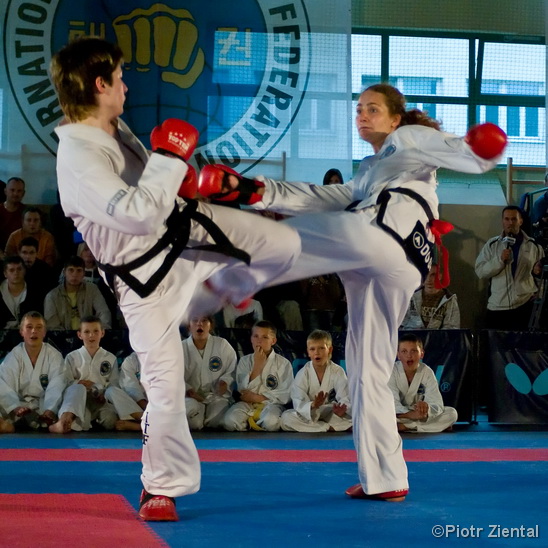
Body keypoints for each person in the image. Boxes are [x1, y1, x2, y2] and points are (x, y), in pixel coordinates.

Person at [198, 83, 507, 501]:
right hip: (396, 264)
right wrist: (256, 191)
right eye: (359, 109)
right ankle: (386, 478)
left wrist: (477, 149)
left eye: (373, 109)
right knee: (366, 372)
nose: (362, 115)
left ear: (395, 119)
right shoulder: (369, 172)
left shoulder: (408, 139)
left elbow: (450, 149)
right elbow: (327, 196)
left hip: (385, 235)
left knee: (296, 238)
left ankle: (227, 278)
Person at [49, 37, 300, 521]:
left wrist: (177, 176)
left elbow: (154, 193)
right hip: (141, 283)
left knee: (284, 243)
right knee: (164, 387)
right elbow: (138, 214)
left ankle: (220, 290)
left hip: (184, 239)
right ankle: (159, 487)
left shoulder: (111, 128)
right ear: (99, 85)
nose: (126, 85)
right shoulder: (78, 159)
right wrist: (168, 159)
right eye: (119, 78)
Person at [49, 316, 143, 433]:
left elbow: (114, 383)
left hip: (102, 401)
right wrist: (79, 383)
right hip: (79, 402)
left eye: (95, 331)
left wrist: (101, 390)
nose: (91, 335)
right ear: (79, 335)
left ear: (102, 333)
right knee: (77, 389)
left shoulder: (110, 358)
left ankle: (142, 419)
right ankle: (64, 420)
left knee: (110, 417)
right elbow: (66, 383)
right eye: (87, 332)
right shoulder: (72, 357)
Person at [475, 205, 544, 330]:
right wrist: (499, 260)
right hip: (498, 306)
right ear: (502, 221)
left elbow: (542, 274)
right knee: (495, 342)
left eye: (514, 219)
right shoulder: (492, 245)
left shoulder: (533, 246)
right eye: (506, 219)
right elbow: (480, 271)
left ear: (520, 221)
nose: (510, 223)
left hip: (524, 305)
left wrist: (540, 292)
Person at [0, 311, 66, 431]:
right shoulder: (14, 355)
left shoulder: (54, 356)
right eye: (29, 327)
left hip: (43, 406)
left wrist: (49, 409)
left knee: (73, 389)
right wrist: (15, 407)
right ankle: (9, 425)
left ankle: (52, 421)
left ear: (44, 332)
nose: (34, 331)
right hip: (18, 407)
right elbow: (4, 384)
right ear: (21, 331)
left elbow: (57, 385)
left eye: (39, 327)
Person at [223, 320, 293, 431]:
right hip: (247, 404)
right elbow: (243, 391)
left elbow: (286, 393)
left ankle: (255, 423)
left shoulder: (283, 363)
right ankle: (249, 425)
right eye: (255, 336)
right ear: (251, 339)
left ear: (273, 341)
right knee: (229, 421)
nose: (259, 341)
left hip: (271, 404)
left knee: (271, 423)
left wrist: (259, 398)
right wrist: (257, 367)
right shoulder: (245, 361)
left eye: (265, 337)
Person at [281, 329, 351, 432]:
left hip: (330, 411)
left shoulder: (337, 371)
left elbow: (345, 396)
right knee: (286, 418)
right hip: (309, 414)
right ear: (308, 352)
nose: (317, 353)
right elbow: (298, 400)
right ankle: (327, 427)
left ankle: (321, 427)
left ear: (330, 350)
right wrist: (313, 405)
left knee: (354, 417)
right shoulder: (303, 373)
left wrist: (342, 408)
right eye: (312, 349)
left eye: (321, 348)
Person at [389, 333, 458, 433]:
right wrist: (409, 415)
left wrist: (427, 409)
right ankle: (433, 426)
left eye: (413, 351)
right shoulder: (392, 371)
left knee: (452, 413)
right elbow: (391, 403)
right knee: (379, 414)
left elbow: (436, 402)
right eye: (404, 351)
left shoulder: (427, 372)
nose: (409, 355)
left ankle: (407, 426)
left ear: (421, 354)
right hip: (400, 415)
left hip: (418, 415)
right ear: (398, 355)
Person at [183, 315, 237, 430]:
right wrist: (187, 389)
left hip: (215, 396)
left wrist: (225, 382)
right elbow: (173, 376)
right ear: (189, 326)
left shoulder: (222, 344)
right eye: (195, 320)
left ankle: (206, 417)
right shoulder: (180, 348)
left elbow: (232, 369)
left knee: (216, 420)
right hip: (191, 397)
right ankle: (200, 417)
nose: (199, 324)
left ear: (211, 325)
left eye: (204, 320)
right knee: (194, 421)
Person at [44, 256, 112, 330]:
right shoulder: (52, 296)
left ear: (84, 273)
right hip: (63, 336)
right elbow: (52, 325)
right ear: (64, 272)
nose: (75, 274)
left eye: (79, 270)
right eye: (71, 270)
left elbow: (104, 312)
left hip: (89, 334)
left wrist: (100, 331)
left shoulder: (92, 289)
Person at [400, 265, 460, 329]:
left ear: (440, 276)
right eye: (425, 274)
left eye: (433, 275)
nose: (429, 279)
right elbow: (401, 324)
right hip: (412, 335)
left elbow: (451, 328)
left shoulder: (449, 300)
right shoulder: (411, 297)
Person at [0, 256, 44, 328]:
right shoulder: (1, 291)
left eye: (19, 269)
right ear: (5, 273)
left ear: (24, 271)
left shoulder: (35, 292)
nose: (16, 273)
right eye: (11, 270)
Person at [17, 237, 57, 302]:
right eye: (24, 252)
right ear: (19, 253)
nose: (28, 257)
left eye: (31, 253)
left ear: (37, 253)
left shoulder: (45, 270)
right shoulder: (14, 269)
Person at [0, 177, 26, 255]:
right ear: (5, 191)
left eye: (19, 191)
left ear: (23, 193)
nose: (15, 194)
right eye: (12, 190)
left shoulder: (27, 212)